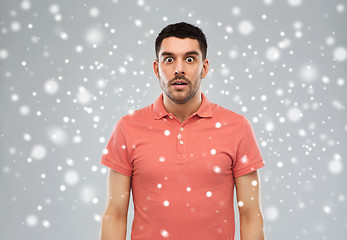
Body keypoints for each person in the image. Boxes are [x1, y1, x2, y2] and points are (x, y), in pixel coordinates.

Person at [99, 22, 265, 240]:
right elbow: (115, 214)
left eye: (189, 59)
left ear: (204, 68)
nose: (179, 69)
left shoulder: (237, 127)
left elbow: (251, 215)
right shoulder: (127, 128)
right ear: (157, 68)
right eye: (169, 59)